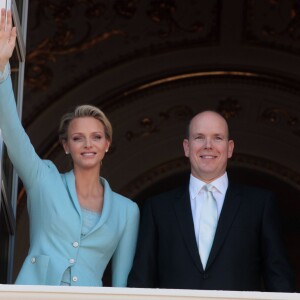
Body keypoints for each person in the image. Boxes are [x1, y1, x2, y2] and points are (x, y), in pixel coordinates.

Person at [0, 9, 139, 286]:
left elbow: (122, 283)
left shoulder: (127, 211)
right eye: (78, 138)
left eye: (96, 137)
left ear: (107, 144)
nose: (88, 144)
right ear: (66, 145)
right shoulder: (44, 180)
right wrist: (2, 66)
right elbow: (13, 133)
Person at [128, 109, 295, 292]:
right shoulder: (158, 208)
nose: (208, 145)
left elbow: (278, 278)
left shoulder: (260, 204)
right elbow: (141, 281)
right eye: (199, 137)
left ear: (230, 148)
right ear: (186, 147)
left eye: (217, 138)